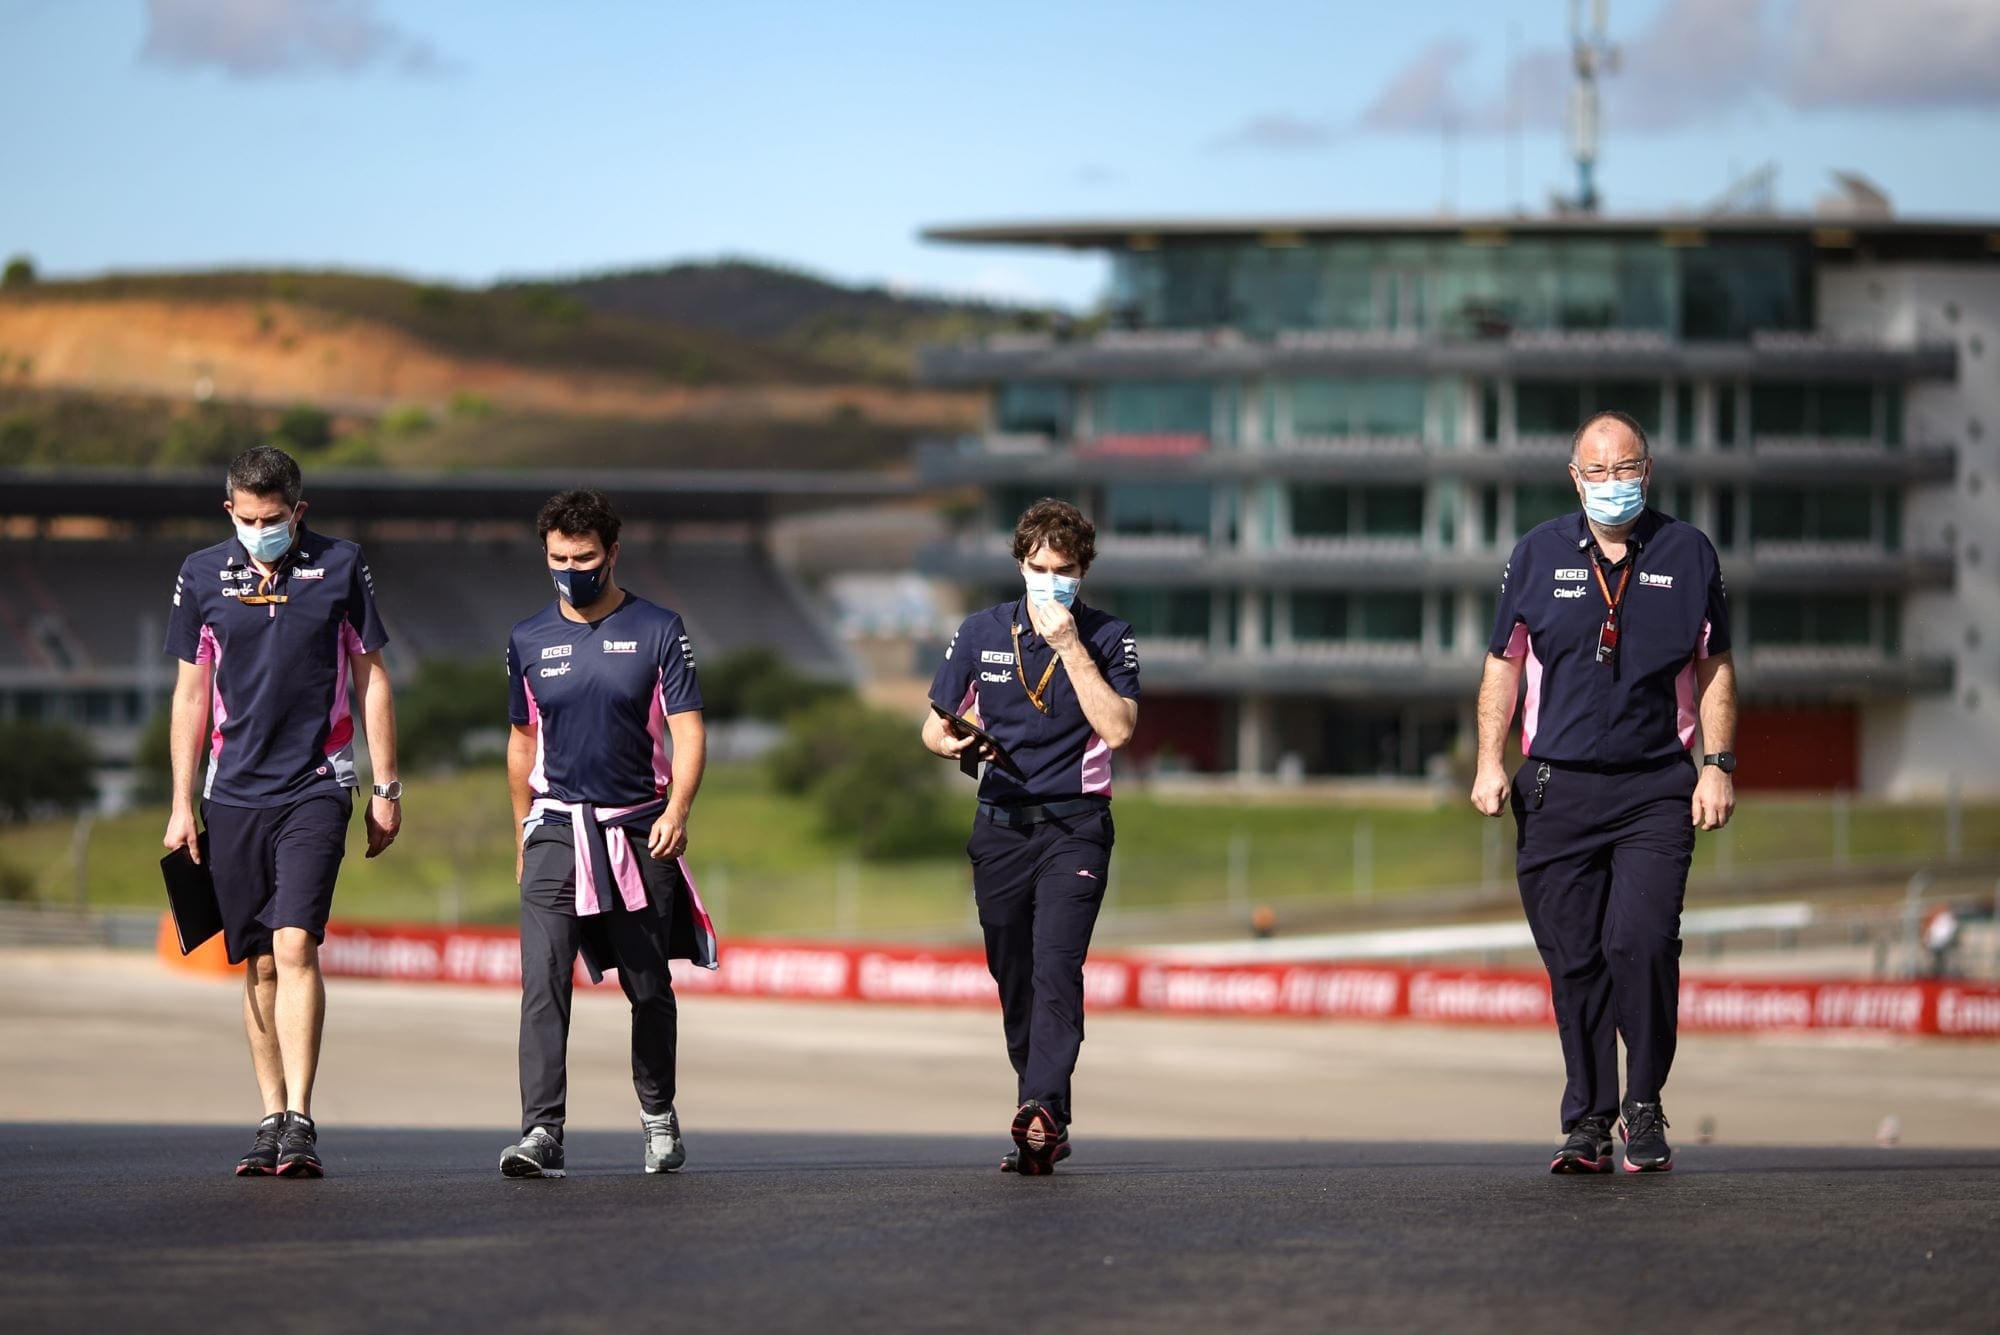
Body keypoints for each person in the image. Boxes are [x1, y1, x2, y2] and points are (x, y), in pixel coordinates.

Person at [1470, 410, 1736, 1176]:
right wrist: (1491, 760)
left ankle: (1643, 1100)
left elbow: (1715, 666)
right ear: (1573, 475)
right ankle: (1587, 1115)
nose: (1613, 483)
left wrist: (1717, 762)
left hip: (1657, 786)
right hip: (1556, 787)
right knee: (1577, 959)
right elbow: (1502, 665)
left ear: (1647, 471)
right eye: (1598, 470)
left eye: (1626, 469)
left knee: (1641, 942)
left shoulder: (1687, 553)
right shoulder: (1536, 553)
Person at [162, 445, 402, 1179]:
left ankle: (300, 1117)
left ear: (299, 512)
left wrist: (386, 786)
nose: (258, 529)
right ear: (228, 508)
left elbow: (372, 678)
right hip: (231, 791)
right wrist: (180, 804)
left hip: (316, 782)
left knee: (296, 942)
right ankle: (269, 1115)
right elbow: (191, 696)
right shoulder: (201, 574)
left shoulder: (342, 564)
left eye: (273, 518)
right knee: (259, 958)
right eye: (246, 516)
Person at [497, 489, 715, 1180]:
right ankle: (541, 1130)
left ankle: (657, 1112)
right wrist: (522, 832)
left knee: (648, 984)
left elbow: (688, 730)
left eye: (584, 557)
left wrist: (677, 810)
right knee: (543, 980)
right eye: (558, 558)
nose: (571, 569)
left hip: (638, 829)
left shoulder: (658, 629)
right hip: (556, 827)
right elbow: (520, 741)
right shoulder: (528, 639)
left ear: (612, 553)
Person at [921, 498, 1140, 1175]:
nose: (1051, 580)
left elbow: (1120, 727)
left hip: (1074, 827)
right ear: (1020, 564)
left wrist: (1070, 644)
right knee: (1014, 977)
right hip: (999, 827)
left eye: (1065, 569)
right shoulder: (980, 630)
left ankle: (1039, 1106)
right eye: (1040, 568)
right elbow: (933, 726)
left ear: (1084, 570)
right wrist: (956, 740)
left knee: (1055, 969)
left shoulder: (1108, 636)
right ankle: (1045, 1115)